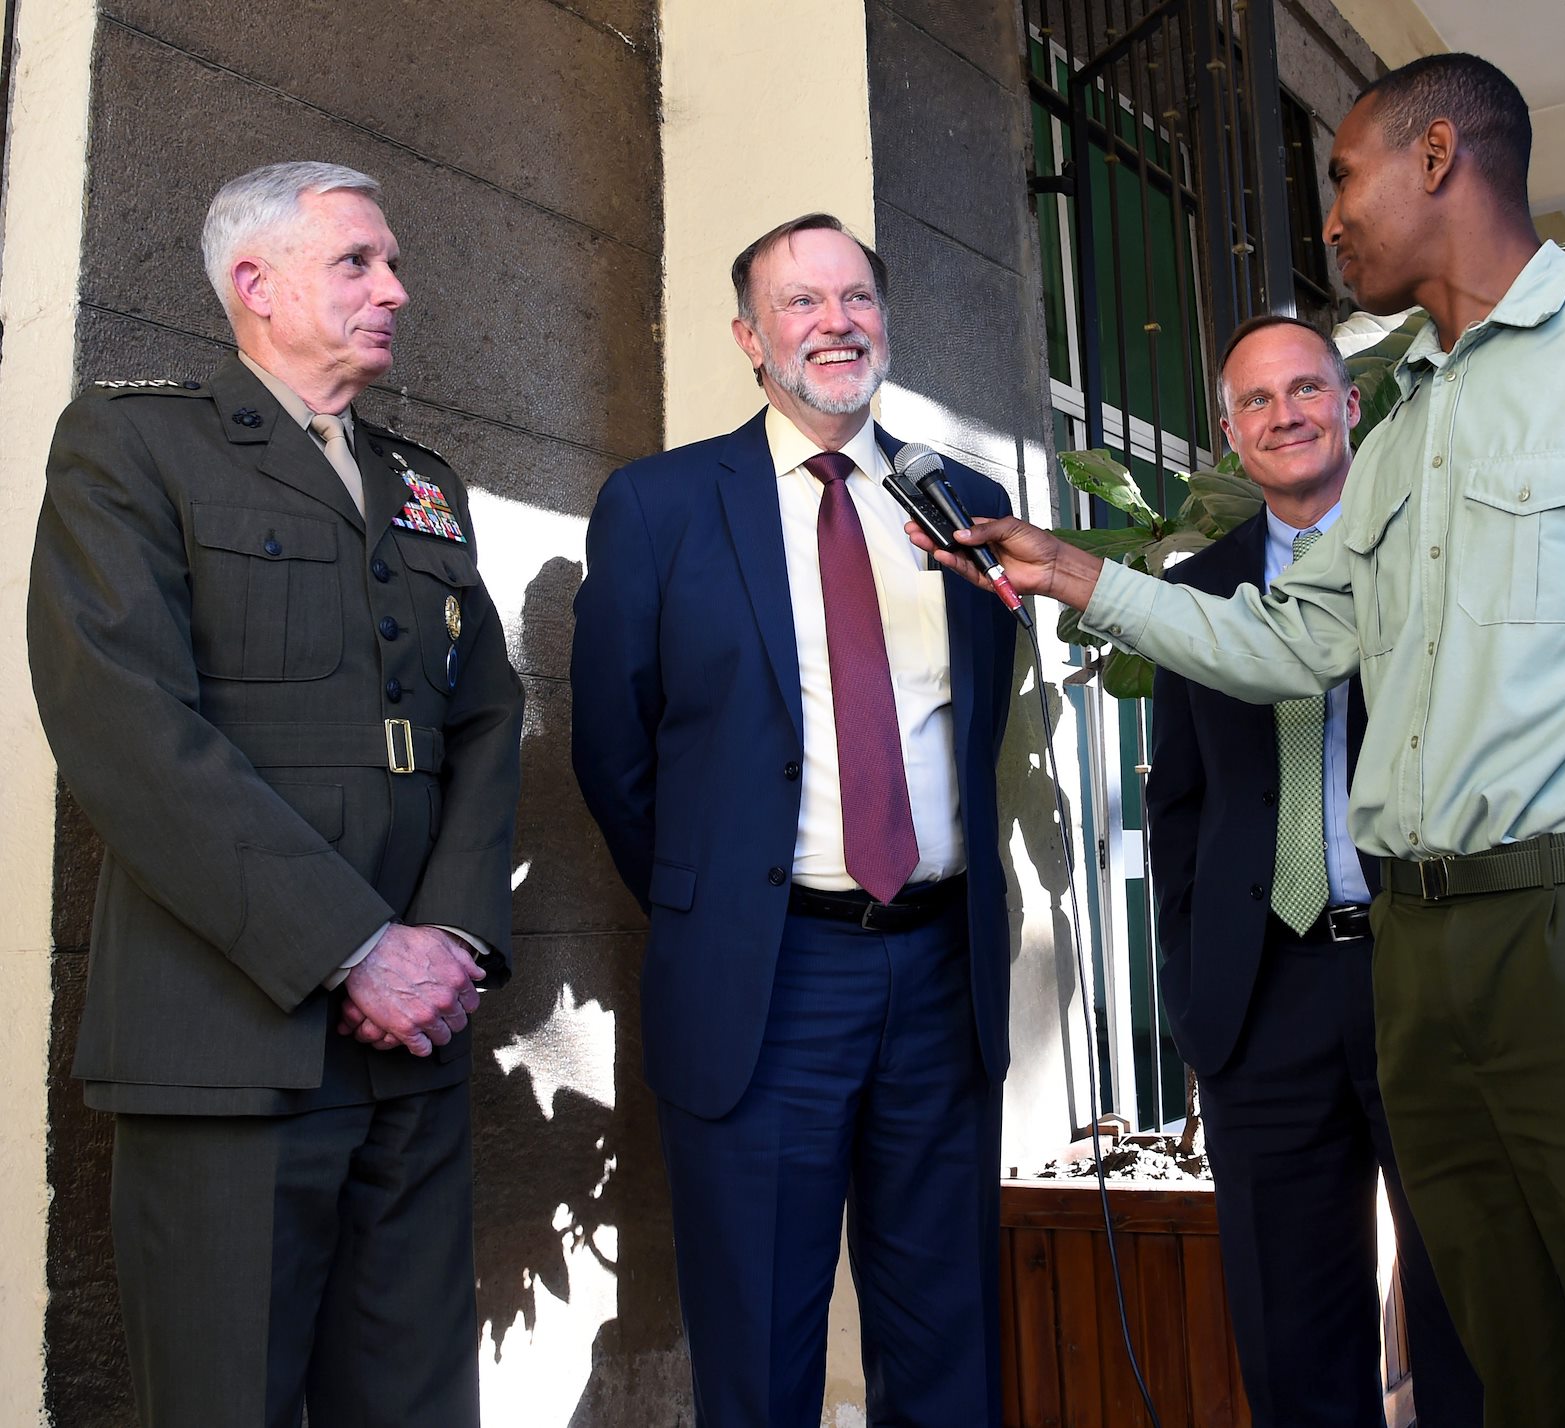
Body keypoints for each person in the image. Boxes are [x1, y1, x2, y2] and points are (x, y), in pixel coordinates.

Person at [917, 53, 1565, 1428]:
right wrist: (1079, 574)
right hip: (1427, 962)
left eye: (1345, 177)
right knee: (1513, 1367)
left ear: (1437, 160)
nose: (1331, 221)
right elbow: (1296, 641)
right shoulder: (1410, 419)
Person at [26, 160, 525, 1426]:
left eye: (391, 263)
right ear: (254, 283)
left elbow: (482, 721)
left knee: (413, 1402)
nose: (395, 291)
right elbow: (123, 725)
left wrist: (452, 937)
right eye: (359, 262)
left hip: (413, 1038)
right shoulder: (136, 441)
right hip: (227, 1037)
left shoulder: (423, 480)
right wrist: (352, 947)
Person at [569, 213, 1019, 1427]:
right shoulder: (659, 506)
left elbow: (979, 723)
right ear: (748, 337)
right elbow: (616, 752)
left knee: (947, 1334)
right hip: (769, 982)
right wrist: (723, 903)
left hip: (938, 972)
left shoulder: (964, 501)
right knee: (759, 1345)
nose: (835, 323)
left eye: (856, 298)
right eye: (801, 303)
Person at [1149, 315, 1480, 1427]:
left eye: (1304, 390)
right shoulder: (1192, 588)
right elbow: (1179, 809)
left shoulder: (1428, 556)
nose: (1282, 413)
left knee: (1466, 1304)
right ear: (1228, 432)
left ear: (1350, 406)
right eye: (1255, 400)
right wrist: (1197, 1002)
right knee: (1290, 1334)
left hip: (1423, 970)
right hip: (1263, 995)